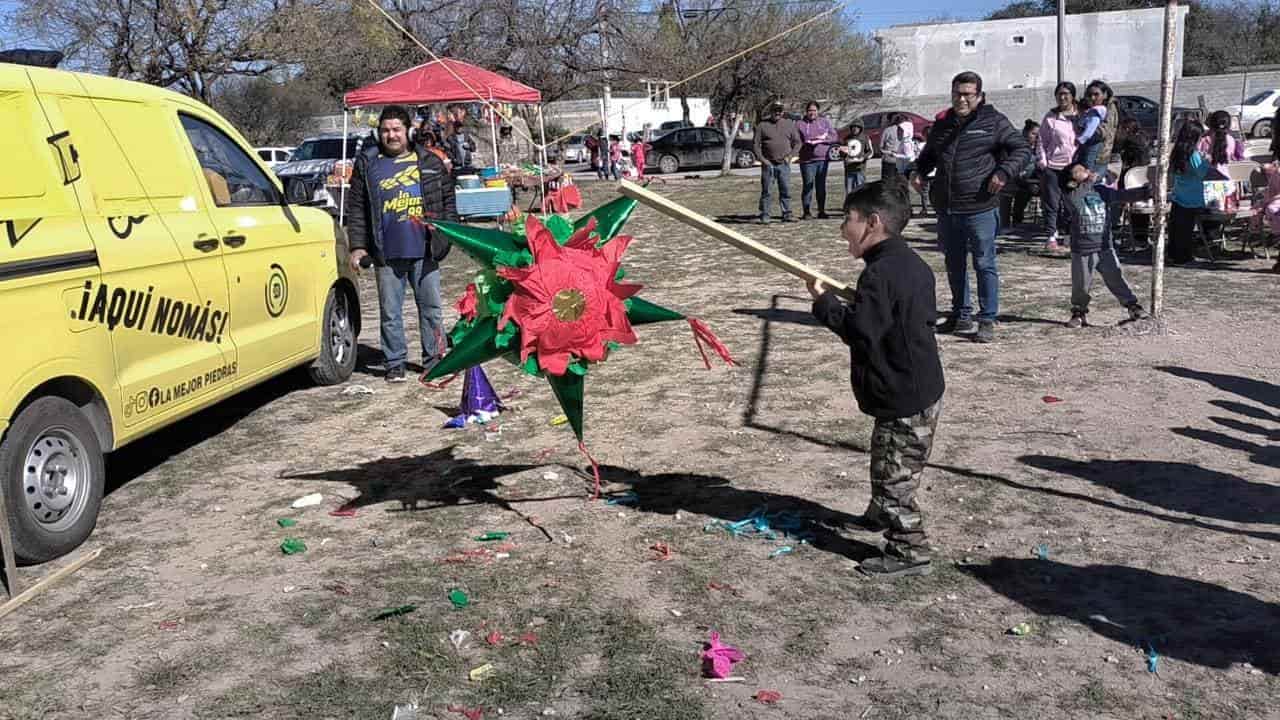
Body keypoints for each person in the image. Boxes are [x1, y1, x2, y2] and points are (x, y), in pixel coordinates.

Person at [806, 180, 945, 578]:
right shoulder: (907, 262)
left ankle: (909, 550)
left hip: (905, 394)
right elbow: (885, 316)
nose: (841, 228)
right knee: (886, 458)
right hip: (913, 386)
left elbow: (861, 330)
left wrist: (824, 304)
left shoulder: (881, 274)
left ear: (873, 222)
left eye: (847, 219)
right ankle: (879, 513)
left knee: (895, 476)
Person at [914, 71, 1030, 344]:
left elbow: (1022, 150)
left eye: (967, 94)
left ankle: (987, 318)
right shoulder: (943, 124)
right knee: (954, 264)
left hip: (980, 206)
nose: (962, 99)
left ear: (980, 96)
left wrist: (1003, 173)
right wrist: (918, 171)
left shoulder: (994, 121)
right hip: (947, 206)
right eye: (957, 93)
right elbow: (929, 155)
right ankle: (960, 314)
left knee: (984, 263)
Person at [345, 105, 457, 383]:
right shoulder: (367, 163)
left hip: (425, 249)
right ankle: (394, 362)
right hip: (386, 251)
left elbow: (448, 202)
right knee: (390, 312)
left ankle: (435, 361)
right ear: (378, 132)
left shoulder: (430, 161)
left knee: (431, 309)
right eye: (385, 130)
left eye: (396, 129)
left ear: (408, 130)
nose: (391, 135)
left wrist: (449, 235)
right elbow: (356, 208)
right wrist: (358, 246)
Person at [1057, 162, 1151, 327]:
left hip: (1104, 247)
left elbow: (1121, 195)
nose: (1086, 171)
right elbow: (1075, 202)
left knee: (1115, 277)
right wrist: (1089, 181)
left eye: (1086, 169)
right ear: (1072, 179)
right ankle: (1079, 312)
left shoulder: (1101, 191)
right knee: (1081, 284)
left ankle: (1132, 305)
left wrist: (1145, 192)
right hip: (1083, 250)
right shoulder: (1070, 194)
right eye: (1079, 171)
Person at [1038, 82, 1080, 252]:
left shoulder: (1081, 115)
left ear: (1073, 96)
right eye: (1059, 94)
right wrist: (1043, 162)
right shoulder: (1050, 117)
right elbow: (1042, 141)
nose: (1062, 97)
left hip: (1074, 168)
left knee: (1071, 203)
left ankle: (1070, 236)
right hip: (1054, 166)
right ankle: (1051, 236)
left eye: (1066, 94)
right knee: (1052, 204)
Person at [1168, 119, 1211, 265]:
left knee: (1176, 228)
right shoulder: (1193, 154)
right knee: (1186, 230)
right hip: (1192, 197)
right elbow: (1201, 173)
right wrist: (1206, 160)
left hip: (1179, 195)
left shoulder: (1177, 151)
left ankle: (1173, 254)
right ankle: (1183, 257)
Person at [753, 101, 802, 224]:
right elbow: (756, 145)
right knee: (767, 191)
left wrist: (790, 156)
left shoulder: (789, 124)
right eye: (775, 110)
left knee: (785, 189)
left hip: (783, 164)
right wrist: (763, 160)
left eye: (780, 110)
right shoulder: (762, 125)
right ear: (771, 111)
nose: (777, 113)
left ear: (783, 112)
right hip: (768, 164)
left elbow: (798, 142)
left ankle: (787, 214)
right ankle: (765, 214)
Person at [797, 100, 838, 219]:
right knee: (808, 185)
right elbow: (796, 140)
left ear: (818, 111)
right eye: (810, 110)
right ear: (806, 111)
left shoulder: (824, 122)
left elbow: (834, 136)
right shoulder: (800, 124)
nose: (812, 113)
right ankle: (806, 211)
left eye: (814, 110)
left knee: (821, 186)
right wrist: (805, 143)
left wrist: (822, 140)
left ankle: (821, 211)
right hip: (807, 161)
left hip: (822, 159)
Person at [1114, 118, 1152, 246]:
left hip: (1132, 178)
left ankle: (1136, 237)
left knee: (1131, 206)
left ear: (1127, 129)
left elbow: (1116, 147)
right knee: (1143, 207)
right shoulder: (1144, 138)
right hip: (1144, 180)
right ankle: (1141, 237)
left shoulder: (1129, 140)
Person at [1000, 120, 1040, 230]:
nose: (1036, 138)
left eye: (1038, 135)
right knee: (1009, 190)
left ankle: (1018, 220)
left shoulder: (1039, 148)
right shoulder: (1015, 145)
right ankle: (1005, 224)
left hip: (1030, 180)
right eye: (1033, 134)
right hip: (1014, 178)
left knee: (1029, 190)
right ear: (1025, 132)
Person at [1074, 80, 1113, 174]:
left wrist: (1081, 138)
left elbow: (1099, 131)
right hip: (1090, 148)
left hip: (1098, 154)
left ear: (1105, 95)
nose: (1093, 98)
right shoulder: (1092, 110)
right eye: (1090, 95)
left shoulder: (1100, 111)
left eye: (1096, 94)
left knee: (1088, 171)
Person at [1198, 110, 1246, 176]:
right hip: (1227, 178)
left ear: (1210, 124)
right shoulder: (1232, 140)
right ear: (1229, 125)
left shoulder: (1203, 141)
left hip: (1206, 179)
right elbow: (1238, 159)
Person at [880, 113, 916, 181]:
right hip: (896, 162)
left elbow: (881, 148)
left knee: (888, 183)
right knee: (901, 183)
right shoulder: (908, 132)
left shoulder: (887, 130)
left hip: (891, 161)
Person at [840, 121, 871, 200]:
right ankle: (850, 207)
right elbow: (842, 153)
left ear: (860, 128)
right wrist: (843, 154)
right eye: (853, 127)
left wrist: (863, 157)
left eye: (857, 127)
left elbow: (869, 152)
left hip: (860, 168)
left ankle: (861, 206)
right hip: (849, 169)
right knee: (849, 190)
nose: (855, 129)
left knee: (861, 189)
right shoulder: (846, 139)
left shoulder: (865, 138)